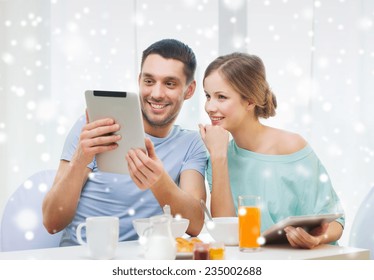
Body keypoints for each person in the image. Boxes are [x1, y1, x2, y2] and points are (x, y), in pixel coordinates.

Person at [42, 39, 207, 246]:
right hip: (84, 258)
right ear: (139, 81)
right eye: (149, 81)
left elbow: (195, 224)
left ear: (189, 90)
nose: (156, 93)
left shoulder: (191, 144)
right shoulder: (95, 127)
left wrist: (157, 180)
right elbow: (52, 223)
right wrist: (79, 159)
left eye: (170, 83)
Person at [199, 52, 345, 249]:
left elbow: (336, 220)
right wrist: (218, 157)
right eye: (208, 96)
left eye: (221, 97)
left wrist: (316, 239)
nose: (209, 106)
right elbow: (226, 233)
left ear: (250, 101)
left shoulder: (292, 147)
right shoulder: (219, 154)